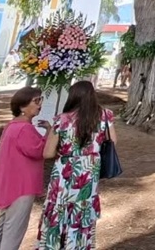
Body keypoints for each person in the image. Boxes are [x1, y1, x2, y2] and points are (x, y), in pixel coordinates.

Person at [38, 80, 114, 250]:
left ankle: (53, 244)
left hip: (65, 168)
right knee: (83, 207)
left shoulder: (62, 120)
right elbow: (112, 141)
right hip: (89, 168)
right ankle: (79, 245)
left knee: (59, 205)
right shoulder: (104, 115)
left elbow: (47, 153)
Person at [0, 87, 48, 250]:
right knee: (14, 231)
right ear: (22, 106)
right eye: (36, 101)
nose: (39, 105)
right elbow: (39, 151)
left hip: (9, 184)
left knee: (3, 228)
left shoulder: (12, 125)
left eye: (40, 100)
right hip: (21, 186)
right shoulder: (24, 128)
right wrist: (50, 132)